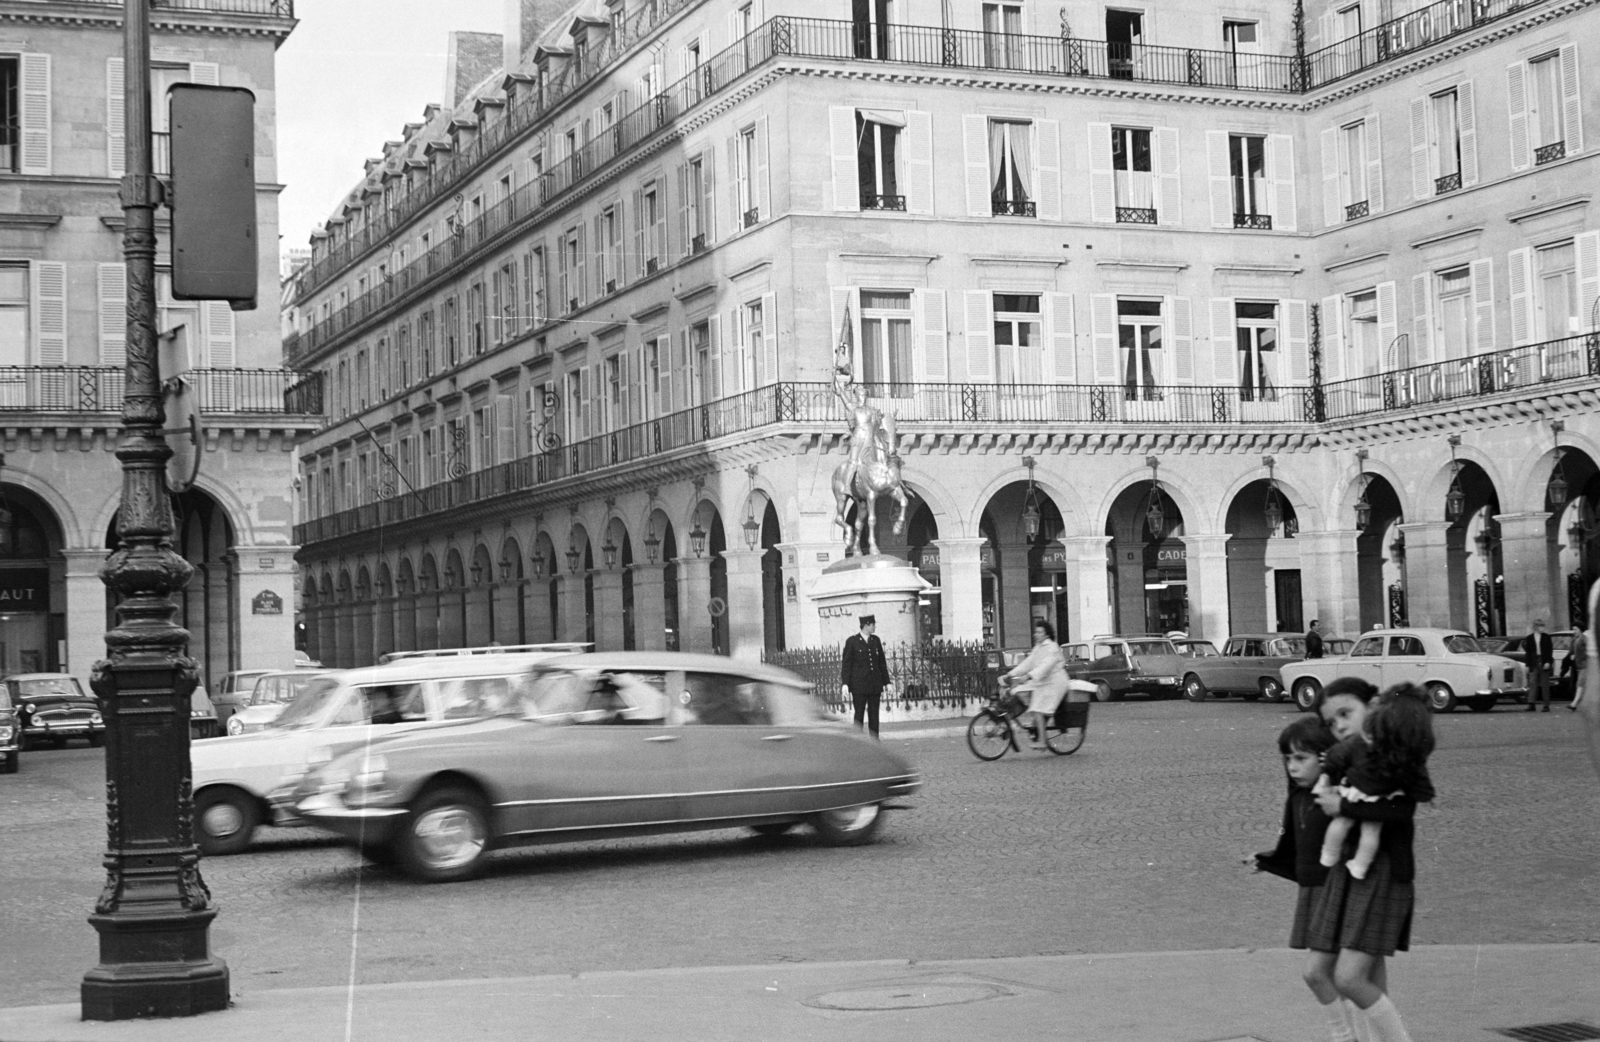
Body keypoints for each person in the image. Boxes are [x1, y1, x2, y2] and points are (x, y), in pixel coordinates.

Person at [1303, 678, 1432, 1042]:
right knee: (1347, 977)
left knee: (1350, 978)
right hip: (1346, 871)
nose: (1339, 725)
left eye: (1346, 713)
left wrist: (1342, 805)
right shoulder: (1347, 756)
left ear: (1373, 708)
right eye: (1331, 721)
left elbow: (1401, 810)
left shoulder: (1396, 754)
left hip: (1383, 872)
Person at [1248, 715, 1359, 1042]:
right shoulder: (1297, 798)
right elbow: (1294, 847)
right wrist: (1266, 861)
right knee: (1339, 976)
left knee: (1320, 973)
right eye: (1288, 759)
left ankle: (1346, 1036)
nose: (1293, 767)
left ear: (1324, 757)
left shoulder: (1335, 797)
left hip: (1338, 892)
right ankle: (1352, 1035)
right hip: (1316, 892)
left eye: (1301, 758)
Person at [1316, 686, 1435, 880]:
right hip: (1362, 861)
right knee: (1369, 830)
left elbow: (1403, 810)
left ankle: (1331, 856)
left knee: (1350, 826)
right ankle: (1352, 863)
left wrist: (1342, 805)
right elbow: (1420, 788)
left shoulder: (1360, 744)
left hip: (1385, 865)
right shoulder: (1405, 755)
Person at [1004, 619, 1070, 751]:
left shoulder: (1052, 647)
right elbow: (1027, 663)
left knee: (1038, 709)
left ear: (1046, 634)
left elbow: (1046, 666)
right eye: (1036, 632)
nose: (1036, 634)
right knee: (1029, 702)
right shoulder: (1038, 648)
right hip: (1043, 681)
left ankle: (1042, 742)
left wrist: (1028, 676)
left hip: (1056, 682)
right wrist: (1010, 674)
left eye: (1040, 632)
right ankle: (1037, 730)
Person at [841, 614, 891, 738]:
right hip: (859, 685)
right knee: (859, 714)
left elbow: (881, 663)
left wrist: (887, 682)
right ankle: (858, 741)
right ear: (866, 625)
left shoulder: (876, 640)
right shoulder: (852, 641)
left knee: (874, 715)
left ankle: (875, 741)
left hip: (874, 684)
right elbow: (847, 664)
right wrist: (845, 683)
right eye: (873, 625)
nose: (875, 627)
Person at [1523, 618, 1555, 712]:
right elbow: (1528, 653)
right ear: (1536, 627)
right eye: (1541, 626)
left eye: (1543, 626)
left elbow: (1550, 650)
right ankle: (1531, 703)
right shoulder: (1529, 638)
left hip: (1543, 659)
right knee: (1532, 682)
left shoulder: (1546, 637)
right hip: (1534, 661)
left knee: (1544, 683)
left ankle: (1546, 705)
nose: (1543, 628)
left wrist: (1548, 662)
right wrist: (1527, 665)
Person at [1564, 626, 1587, 712]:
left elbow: (1589, 650)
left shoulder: (1584, 638)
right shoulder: (1574, 639)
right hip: (1578, 666)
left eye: (1575, 629)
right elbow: (1571, 651)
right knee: (1583, 685)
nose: (1574, 631)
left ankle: (1574, 704)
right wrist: (1571, 655)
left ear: (1580, 630)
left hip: (1585, 665)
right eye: (1573, 629)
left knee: (1580, 684)